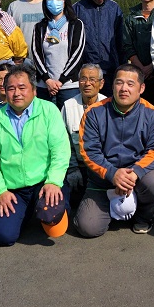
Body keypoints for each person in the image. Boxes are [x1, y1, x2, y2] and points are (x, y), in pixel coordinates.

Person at [0, 65, 71, 246]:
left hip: (43, 183)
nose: (17, 93)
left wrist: (53, 182)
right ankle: (24, 211)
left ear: (34, 91)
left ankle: (41, 206)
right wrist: (0, 192)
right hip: (13, 189)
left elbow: (60, 150)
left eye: (22, 88)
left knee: (55, 226)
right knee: (2, 236)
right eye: (11, 88)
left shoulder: (49, 111)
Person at [74, 64, 154, 237]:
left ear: (142, 88)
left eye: (130, 84)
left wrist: (135, 173)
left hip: (138, 178)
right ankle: (114, 208)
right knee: (88, 227)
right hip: (102, 181)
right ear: (112, 85)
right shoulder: (94, 113)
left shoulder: (153, 115)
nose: (124, 88)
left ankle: (143, 216)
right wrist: (113, 174)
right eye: (119, 83)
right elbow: (89, 152)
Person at [60, 64, 107, 213]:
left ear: (101, 83)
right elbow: (64, 142)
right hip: (78, 168)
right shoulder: (68, 106)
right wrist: (72, 169)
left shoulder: (108, 105)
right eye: (83, 79)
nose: (87, 83)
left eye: (92, 79)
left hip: (101, 169)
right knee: (70, 203)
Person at [30, 0, 86, 107]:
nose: (53, 1)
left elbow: (77, 54)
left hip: (69, 86)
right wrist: (47, 80)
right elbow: (36, 53)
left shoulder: (76, 25)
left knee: (69, 124)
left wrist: (61, 81)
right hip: (44, 86)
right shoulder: (40, 27)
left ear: (65, 0)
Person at [73, 0, 123, 89]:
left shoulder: (114, 8)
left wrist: (121, 64)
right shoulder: (78, 8)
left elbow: (120, 38)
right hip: (87, 66)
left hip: (110, 66)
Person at [121, 0, 154, 105]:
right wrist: (141, 68)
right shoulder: (131, 17)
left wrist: (151, 67)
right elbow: (127, 45)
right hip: (137, 72)